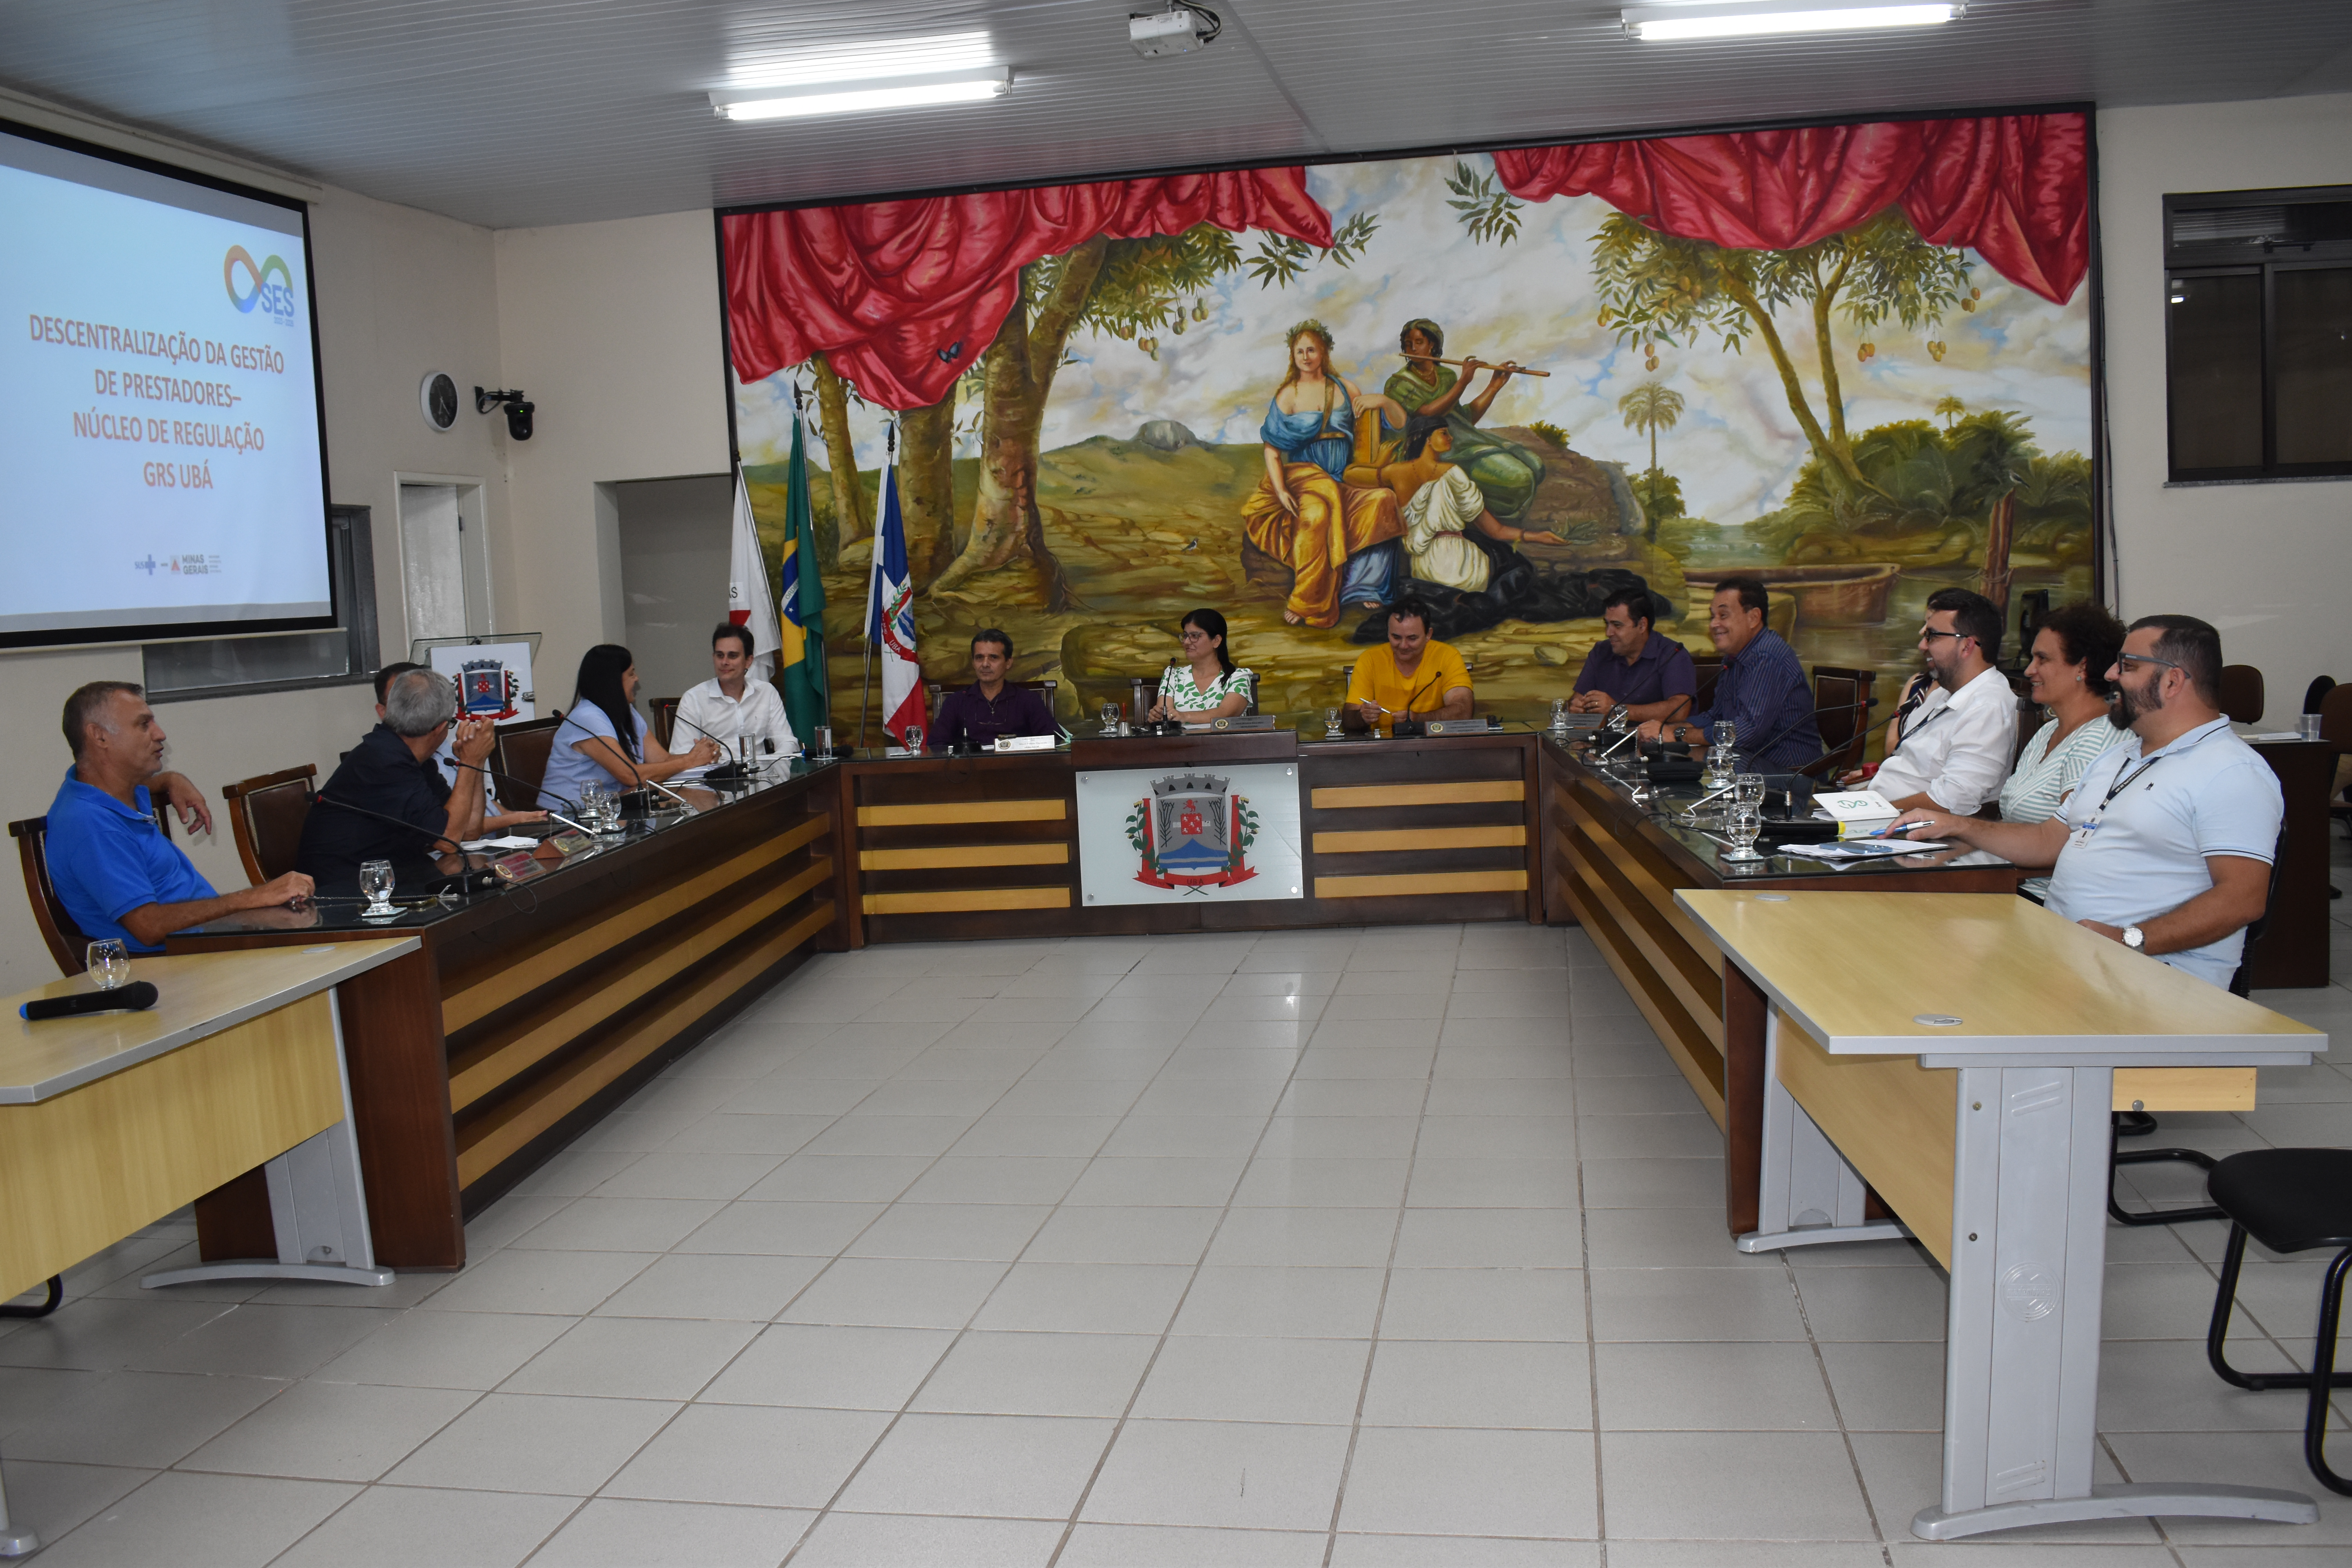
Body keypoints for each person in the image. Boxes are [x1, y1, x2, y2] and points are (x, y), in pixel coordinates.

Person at [1891, 615, 2281, 990]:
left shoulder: (2231, 771)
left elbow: (2242, 899)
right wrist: (1957, 826)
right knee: (1914, 960)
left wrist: (2129, 939)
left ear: (2173, 681)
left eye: (2127, 666)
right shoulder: (2118, 757)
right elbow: (2048, 840)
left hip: (2152, 976)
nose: (2110, 674)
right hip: (2065, 955)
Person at [45, 681, 312, 951]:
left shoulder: (105, 793)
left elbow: (119, 789)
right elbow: (149, 927)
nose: (160, 734)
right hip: (177, 960)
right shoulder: (91, 825)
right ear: (100, 737)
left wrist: (169, 779)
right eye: (143, 725)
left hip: (214, 936)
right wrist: (253, 897)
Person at [1239, 320, 1409, 629]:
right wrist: (1281, 491)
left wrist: (1384, 401)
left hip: (1342, 481)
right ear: (1293, 356)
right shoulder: (1288, 396)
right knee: (1316, 516)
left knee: (1383, 500)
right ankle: (1308, 601)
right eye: (1300, 351)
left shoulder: (1345, 389)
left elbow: (1398, 423)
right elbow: (1272, 451)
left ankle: (1363, 586)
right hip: (1304, 480)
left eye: (1312, 350)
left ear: (1324, 352)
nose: (1306, 357)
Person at [297, 668, 497, 889]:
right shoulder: (383, 760)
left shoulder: (410, 756)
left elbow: (469, 831)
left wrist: (476, 762)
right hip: (347, 888)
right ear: (441, 728)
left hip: (395, 876)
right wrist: (470, 760)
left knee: (484, 883)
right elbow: (448, 840)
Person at [1840, 587, 2019, 814]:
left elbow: (1952, 801)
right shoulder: (1944, 693)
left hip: (1907, 827)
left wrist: (1870, 812)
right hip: (1881, 812)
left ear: (1967, 646)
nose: (1922, 646)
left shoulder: (1988, 707)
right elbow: (1914, 771)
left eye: (1932, 636)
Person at [1638, 577, 1820, 769]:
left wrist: (1677, 735)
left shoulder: (1767, 656)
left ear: (1753, 618)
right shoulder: (1734, 658)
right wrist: (1666, 729)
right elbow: (1716, 716)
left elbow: (1747, 733)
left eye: (1723, 615)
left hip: (1788, 774)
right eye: (1712, 617)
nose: (1714, 624)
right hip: (1747, 765)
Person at [372, 662, 543, 834]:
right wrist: (518, 819)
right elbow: (452, 833)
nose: (418, 708)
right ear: (383, 711)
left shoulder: (438, 751)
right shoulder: (388, 762)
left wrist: (522, 818)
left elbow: (480, 816)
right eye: (404, 701)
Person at [1997, 601, 2128, 825]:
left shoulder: (2100, 738)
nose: (2029, 671)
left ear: (2082, 666)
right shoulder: (2048, 731)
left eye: (2043, 659)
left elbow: (2076, 832)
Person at [543, 644, 719, 804]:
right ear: (613, 681)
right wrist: (689, 761)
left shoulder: (627, 712)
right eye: (631, 674)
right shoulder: (587, 717)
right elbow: (631, 775)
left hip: (609, 810)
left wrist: (701, 756)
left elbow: (663, 760)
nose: (637, 679)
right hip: (567, 818)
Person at [670, 622, 795, 768]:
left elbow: (787, 741)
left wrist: (773, 765)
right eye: (720, 656)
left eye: (733, 656)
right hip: (714, 777)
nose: (724, 662)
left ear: (748, 661)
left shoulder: (766, 692)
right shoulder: (693, 699)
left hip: (761, 775)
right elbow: (681, 754)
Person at [1570, 584, 1697, 725]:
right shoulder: (1601, 651)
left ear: (1642, 625)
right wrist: (1577, 709)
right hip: (1607, 737)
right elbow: (1577, 701)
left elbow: (1679, 712)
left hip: (1655, 738)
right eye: (1607, 624)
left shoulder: (1672, 654)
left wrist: (1617, 710)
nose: (1608, 633)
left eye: (1617, 625)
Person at [1348, 597, 1473, 727]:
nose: (1403, 646)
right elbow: (1349, 719)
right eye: (1396, 637)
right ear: (1388, 633)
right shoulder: (1370, 659)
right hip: (1384, 740)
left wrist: (1418, 719)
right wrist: (1362, 716)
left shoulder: (1447, 656)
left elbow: (1463, 713)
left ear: (1428, 635)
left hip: (1433, 739)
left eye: (1412, 638)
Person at [928, 629, 1058, 750]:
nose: (985, 664)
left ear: (1008, 663)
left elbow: (1054, 741)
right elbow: (936, 746)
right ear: (973, 662)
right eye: (979, 658)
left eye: (993, 657)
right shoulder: (956, 702)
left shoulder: (1028, 700)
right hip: (969, 767)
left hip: (1018, 766)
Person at [1383, 318, 1520, 428]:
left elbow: (1464, 419)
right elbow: (1428, 415)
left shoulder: (1447, 376)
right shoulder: (1397, 383)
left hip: (1454, 440)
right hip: (1424, 446)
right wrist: (1463, 382)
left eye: (1419, 342)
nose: (1413, 348)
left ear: (1432, 345)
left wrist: (1494, 387)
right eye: (1408, 344)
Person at [1150, 608, 1254, 722]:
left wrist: (1185, 716)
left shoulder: (1238, 677)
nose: (1186, 642)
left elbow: (1225, 714)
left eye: (1195, 636)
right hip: (1180, 736)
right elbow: (1167, 717)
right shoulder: (1173, 676)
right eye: (1185, 636)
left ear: (1216, 641)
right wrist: (1158, 717)